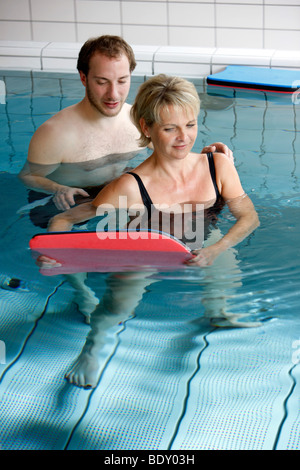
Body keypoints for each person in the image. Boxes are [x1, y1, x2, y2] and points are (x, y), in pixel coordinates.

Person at [39, 74, 260, 388]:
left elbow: (249, 217)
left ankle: (219, 312)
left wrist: (216, 249)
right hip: (145, 247)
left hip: (203, 238)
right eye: (170, 128)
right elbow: (66, 221)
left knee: (226, 265)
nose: (183, 138)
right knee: (116, 307)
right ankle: (92, 349)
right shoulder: (129, 186)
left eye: (190, 124)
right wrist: (55, 252)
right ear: (147, 128)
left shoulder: (217, 166)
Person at [18, 35, 233, 318]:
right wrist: (57, 187)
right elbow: (29, 176)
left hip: (122, 198)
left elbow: (171, 152)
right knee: (58, 239)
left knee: (203, 221)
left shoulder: (139, 120)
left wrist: (209, 162)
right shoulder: (55, 133)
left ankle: (219, 309)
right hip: (72, 199)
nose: (114, 94)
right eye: (102, 81)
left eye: (122, 80)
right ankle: (82, 292)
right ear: (83, 78)